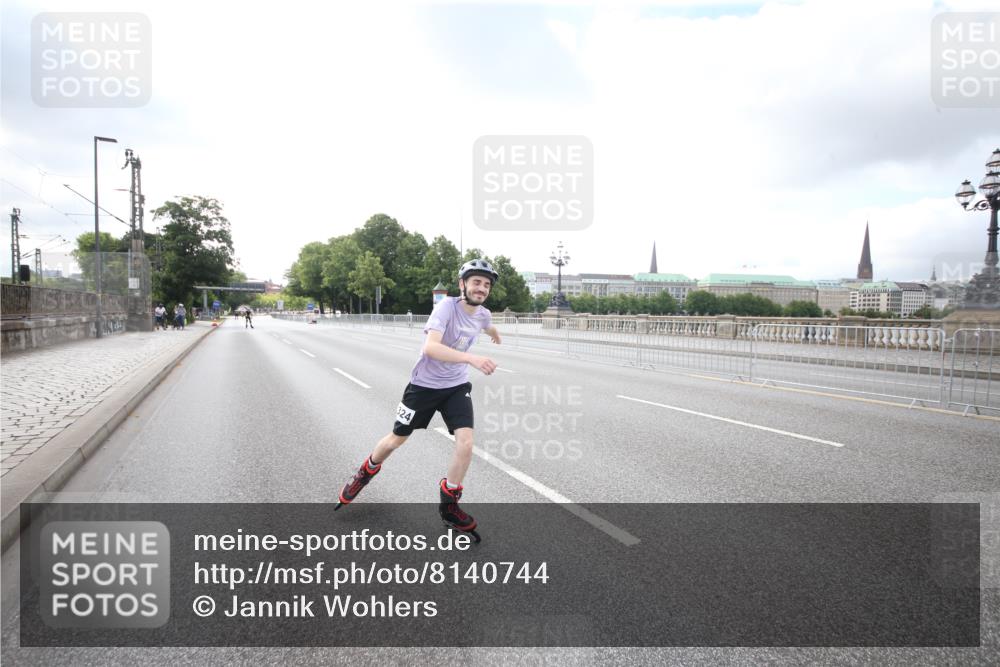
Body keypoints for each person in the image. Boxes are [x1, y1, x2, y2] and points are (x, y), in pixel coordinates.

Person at [335, 259, 502, 540]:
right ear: (462, 284)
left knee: (466, 442)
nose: (481, 288)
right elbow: (431, 348)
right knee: (396, 439)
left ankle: (449, 505)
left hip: (456, 386)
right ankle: (366, 471)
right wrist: (472, 357)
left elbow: (486, 324)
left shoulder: (482, 314)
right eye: (476, 282)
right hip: (423, 387)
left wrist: (495, 333)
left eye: (486, 285)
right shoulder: (445, 307)